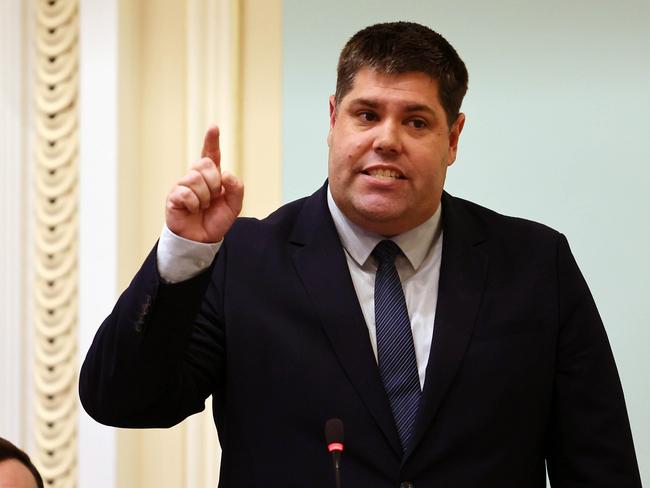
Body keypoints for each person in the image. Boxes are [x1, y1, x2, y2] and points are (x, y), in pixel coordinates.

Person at [79, 21, 642, 487]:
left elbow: (598, 465)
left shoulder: (535, 264)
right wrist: (183, 255)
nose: (387, 139)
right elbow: (122, 401)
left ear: (454, 138)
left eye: (416, 121)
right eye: (367, 114)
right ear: (332, 119)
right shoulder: (243, 260)